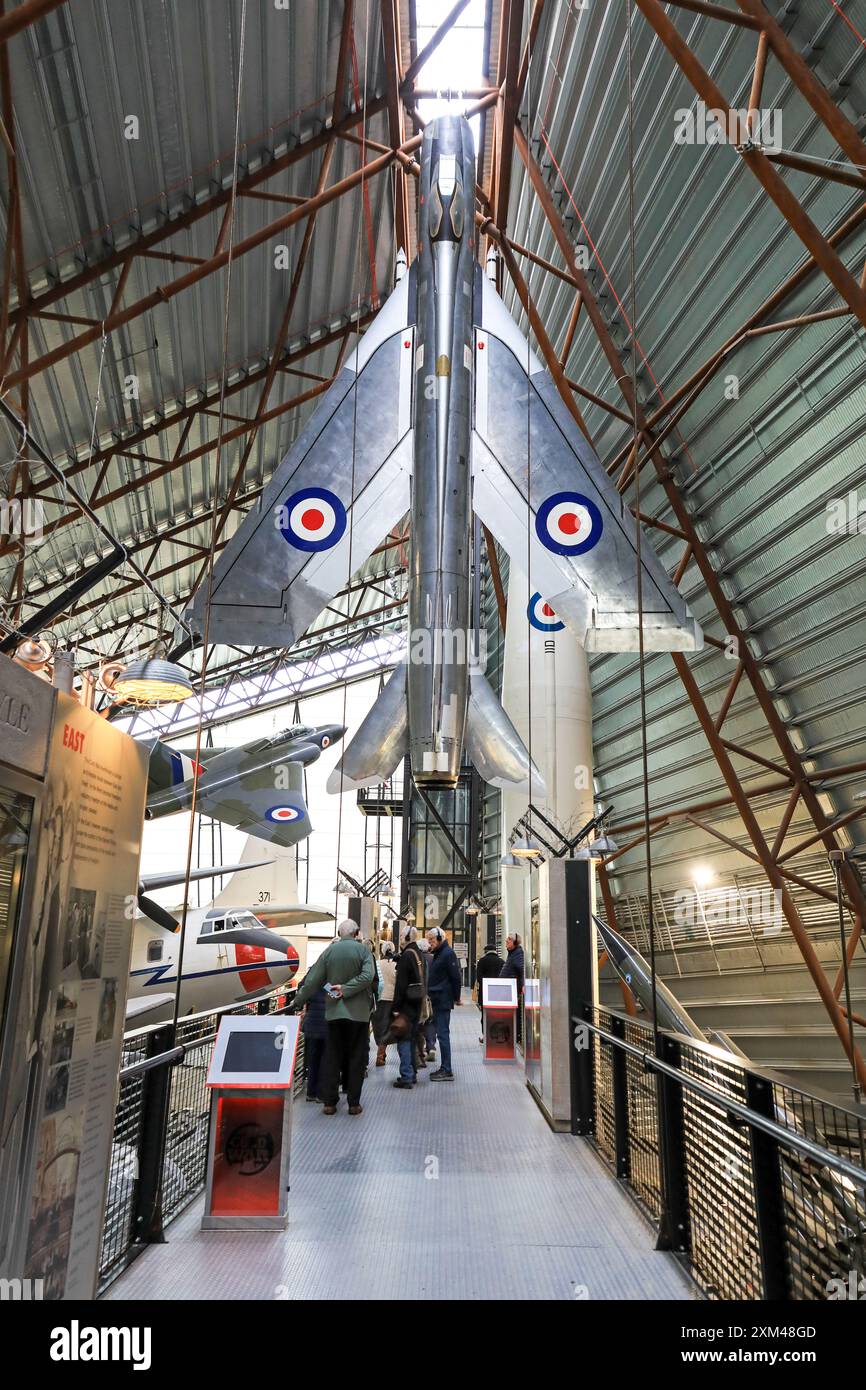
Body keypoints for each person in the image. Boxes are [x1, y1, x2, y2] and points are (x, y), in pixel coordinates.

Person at [292, 920, 375, 1115]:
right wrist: (347, 989)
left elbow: (312, 980)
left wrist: (298, 1000)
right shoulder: (364, 952)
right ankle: (354, 1103)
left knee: (332, 1057)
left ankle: (329, 1102)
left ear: (339, 932)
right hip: (359, 1016)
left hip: (334, 1014)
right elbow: (367, 977)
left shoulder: (329, 952)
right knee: (356, 1058)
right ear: (357, 933)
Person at [392, 926, 428, 1089]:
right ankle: (412, 1073)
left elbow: (400, 985)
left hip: (406, 1004)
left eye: (401, 936)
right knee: (412, 1038)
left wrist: (396, 1007)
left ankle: (406, 1076)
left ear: (408, 937)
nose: (399, 938)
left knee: (404, 1040)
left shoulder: (407, 956)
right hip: (417, 1003)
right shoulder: (419, 954)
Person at [425, 926, 462, 1081]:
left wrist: (456, 997)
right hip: (438, 999)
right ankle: (445, 1068)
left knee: (443, 1035)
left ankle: (447, 1069)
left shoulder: (447, 954)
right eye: (429, 940)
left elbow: (456, 977)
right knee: (442, 1034)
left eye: (432, 940)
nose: (430, 943)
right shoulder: (441, 953)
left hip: (442, 1000)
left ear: (440, 939)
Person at [300, 986, 328, 1101]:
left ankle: (311, 1092)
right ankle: (321, 1094)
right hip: (326, 1024)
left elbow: (302, 990)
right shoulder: (332, 977)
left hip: (312, 1024)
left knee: (313, 1059)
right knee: (325, 1060)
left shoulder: (312, 978)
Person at [474, 938, 504, 1041]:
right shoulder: (501, 961)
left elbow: (479, 978)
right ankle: (498, 1035)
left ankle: (485, 1036)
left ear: (486, 952)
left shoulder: (482, 961)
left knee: (485, 1015)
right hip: (499, 994)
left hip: (485, 994)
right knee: (498, 1015)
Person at [500, 932, 526, 1045]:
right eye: (507, 939)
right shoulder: (512, 953)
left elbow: (521, 970)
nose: (506, 941)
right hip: (508, 990)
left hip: (513, 990)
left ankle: (515, 1036)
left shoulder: (518, 953)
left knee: (514, 1015)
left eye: (509, 939)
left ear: (515, 942)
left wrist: (523, 985)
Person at [374, 941, 397, 1066]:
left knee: (379, 1026)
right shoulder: (396, 964)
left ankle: (380, 1053)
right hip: (392, 998)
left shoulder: (377, 964)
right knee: (388, 1026)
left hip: (378, 998)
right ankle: (381, 1054)